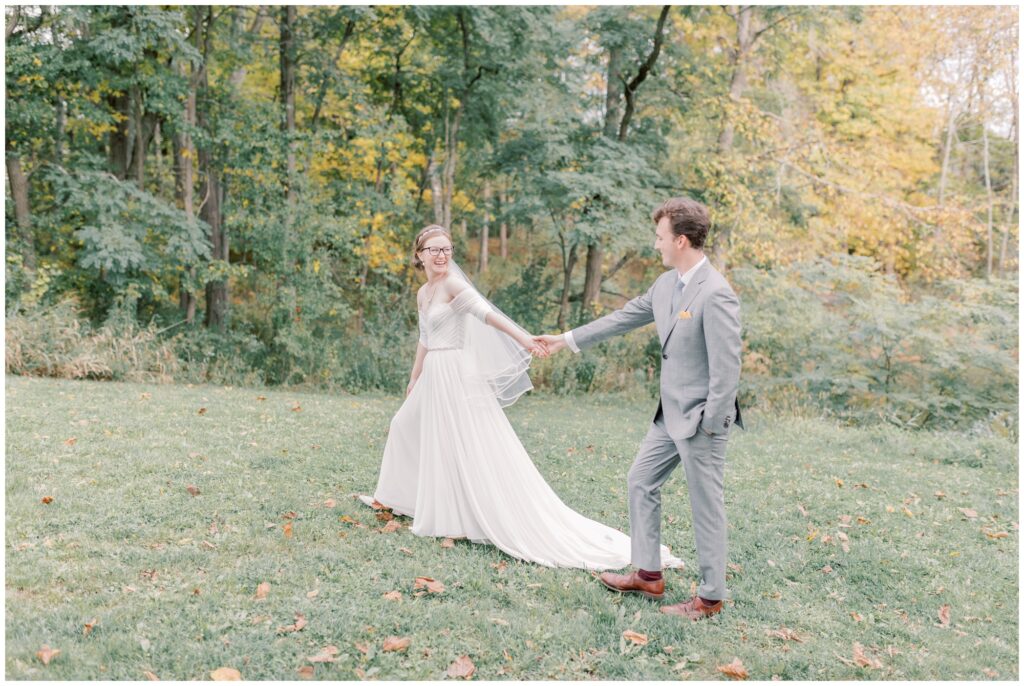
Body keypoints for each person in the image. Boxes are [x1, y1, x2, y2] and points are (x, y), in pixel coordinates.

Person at [359, 224, 682, 571]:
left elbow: (488, 315)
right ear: (419, 255)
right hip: (433, 372)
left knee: (460, 443)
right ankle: (400, 497)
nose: (441, 256)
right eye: (434, 250)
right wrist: (414, 377)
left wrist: (525, 339)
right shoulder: (424, 293)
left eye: (447, 249)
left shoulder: (454, 284)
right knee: (405, 425)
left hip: (454, 372)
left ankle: (457, 510)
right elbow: (425, 337)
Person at [536, 197, 742, 619]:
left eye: (660, 237)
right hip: (668, 416)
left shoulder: (716, 294)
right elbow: (623, 317)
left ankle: (710, 597)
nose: (656, 245)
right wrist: (566, 339)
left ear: (681, 240)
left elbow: (727, 368)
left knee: (706, 505)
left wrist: (711, 424)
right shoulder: (666, 285)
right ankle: (648, 575)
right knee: (640, 481)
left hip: (702, 421)